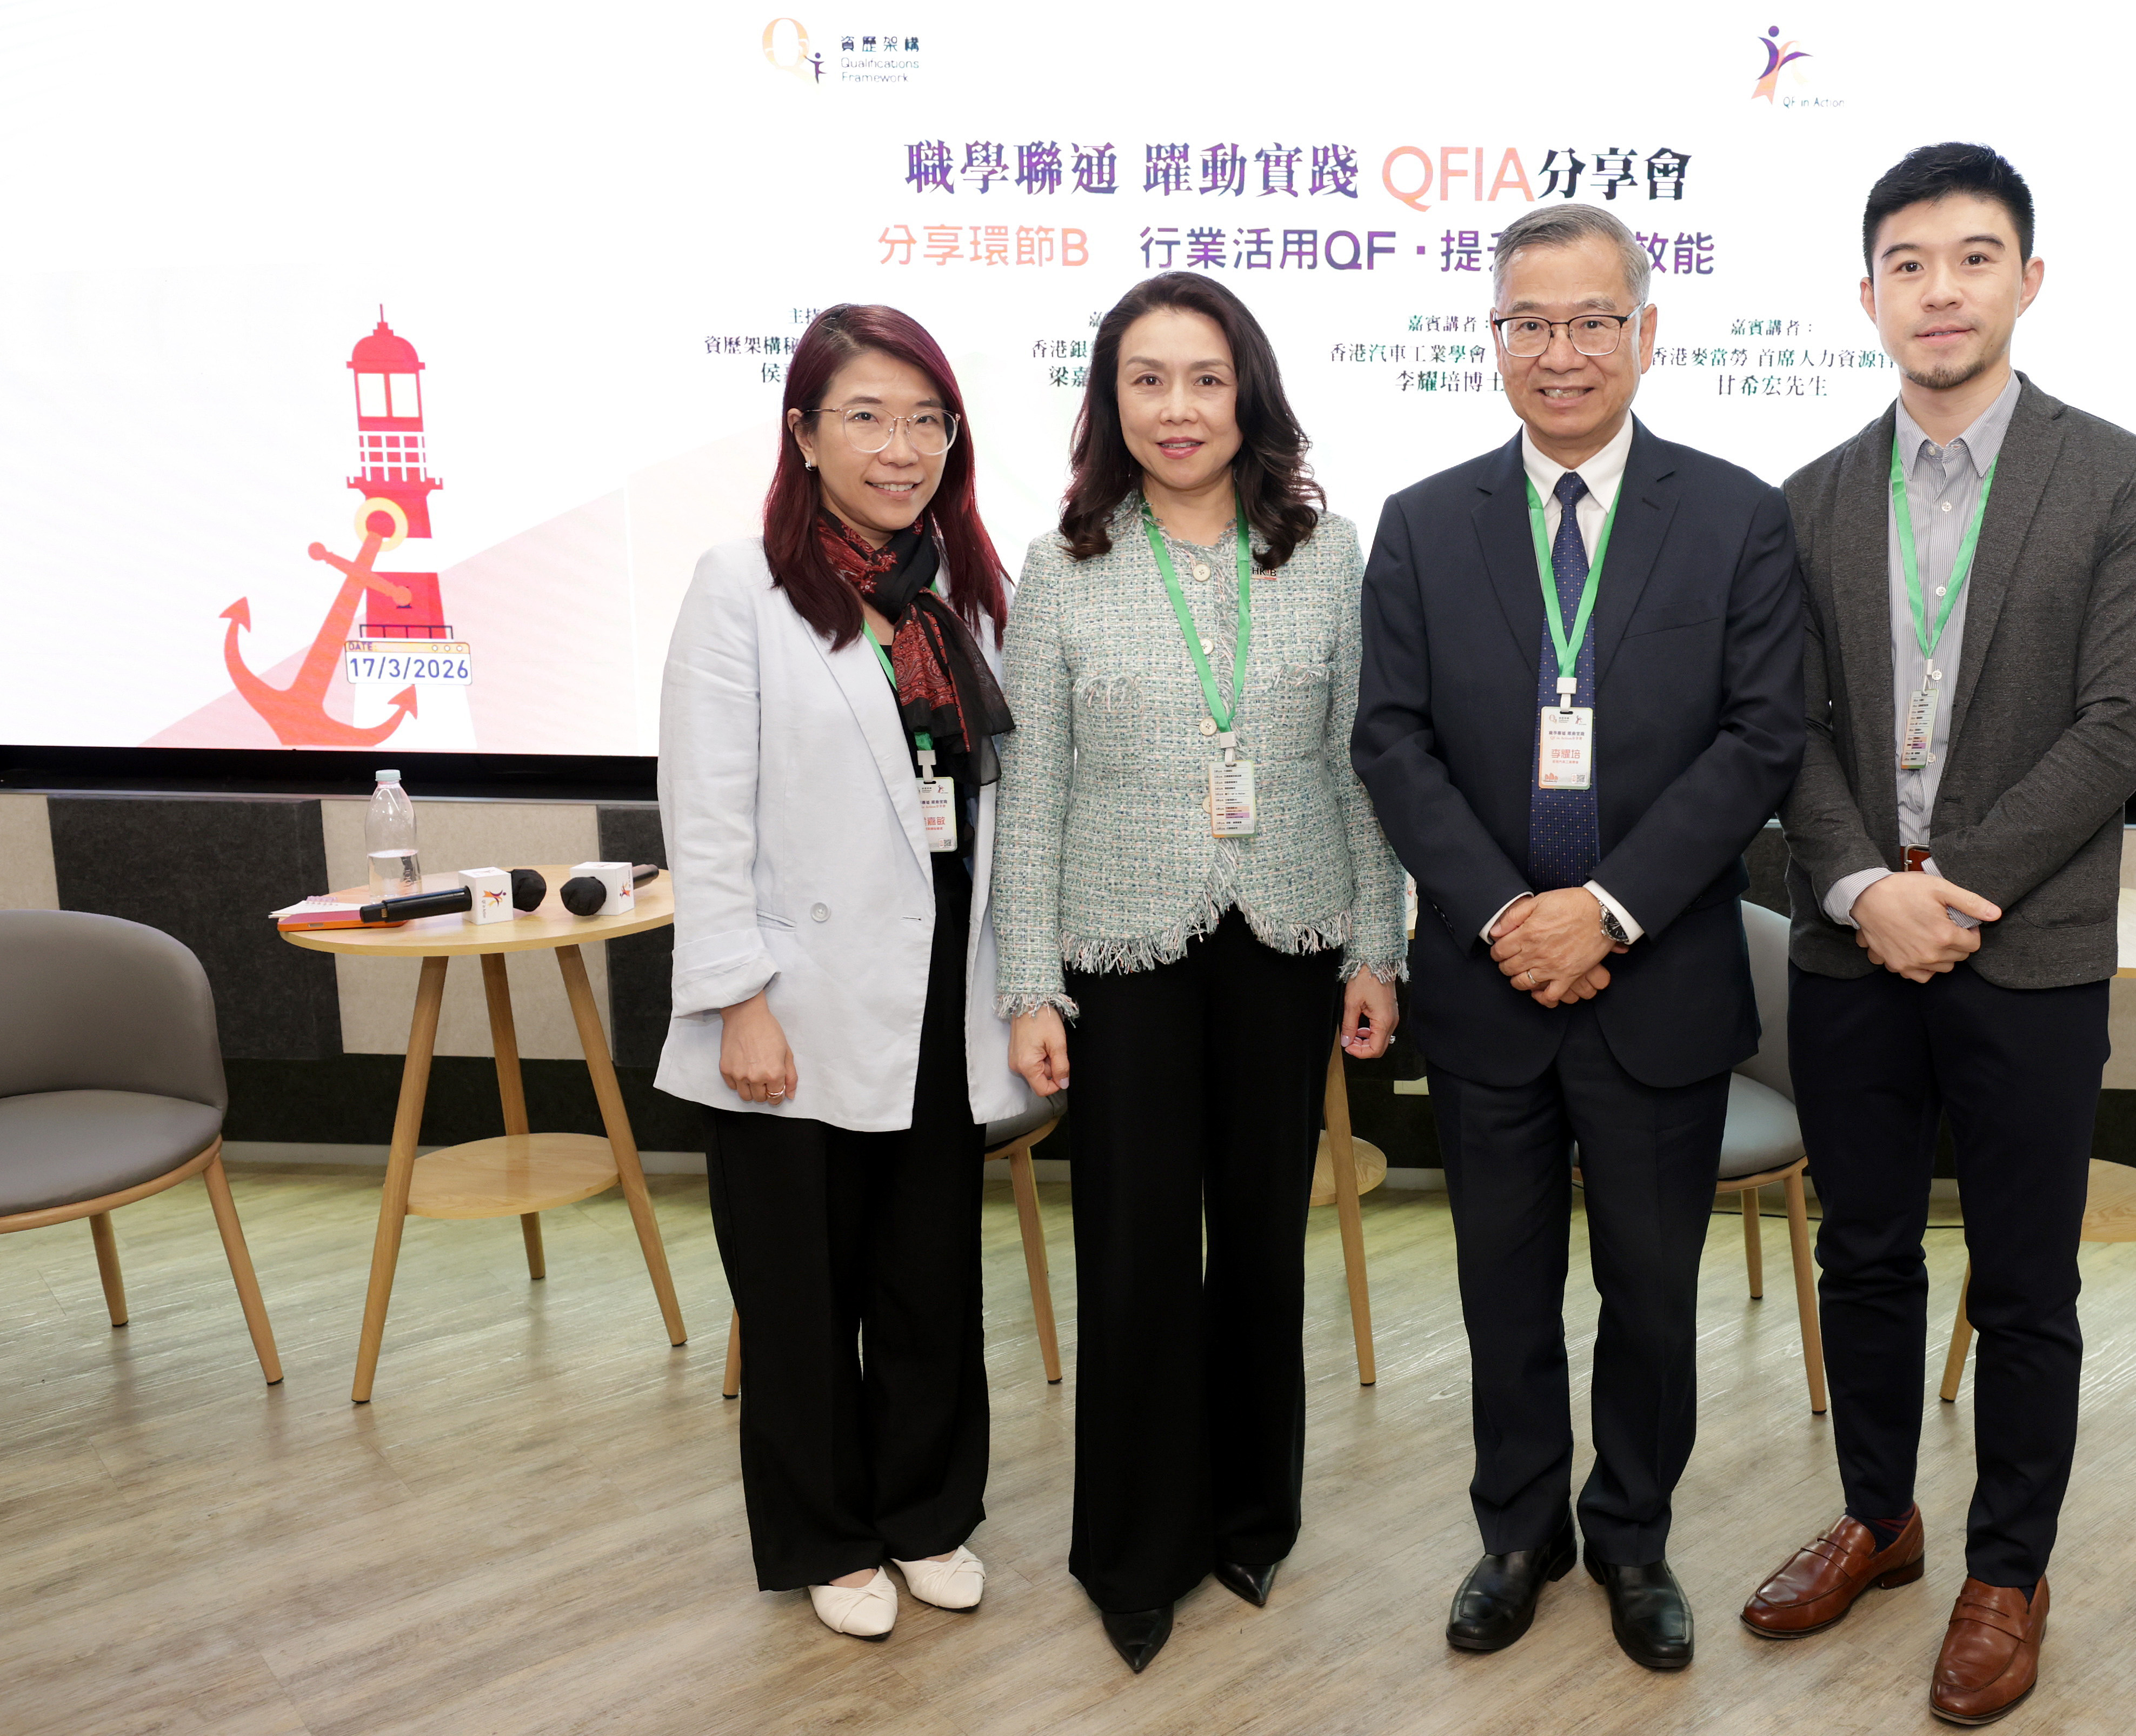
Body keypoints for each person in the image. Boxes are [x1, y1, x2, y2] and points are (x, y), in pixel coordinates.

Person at [1741, 143, 2136, 1724]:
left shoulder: (2119, 481)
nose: (1940, 291)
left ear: (2028, 279)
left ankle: (2009, 1567)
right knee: (1860, 1252)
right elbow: (1782, 727)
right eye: (1908, 264)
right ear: (1866, 294)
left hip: (2030, 952)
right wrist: (1866, 887)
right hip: (1848, 948)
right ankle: (1880, 1516)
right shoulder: (1804, 501)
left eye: (1973, 258)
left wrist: (1943, 885)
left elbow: (2119, 723)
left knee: (2024, 1280)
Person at [1352, 202, 1806, 1673]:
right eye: (1530, 323)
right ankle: (1516, 1530)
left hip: (1654, 979)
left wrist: (1601, 911)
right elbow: (1391, 741)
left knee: (1651, 1295)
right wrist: (1507, 915)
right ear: (1493, 338)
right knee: (1501, 1288)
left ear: (1645, 333)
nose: (1562, 351)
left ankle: (1631, 1535)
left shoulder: (1735, 517)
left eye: (1592, 320)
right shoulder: (1423, 524)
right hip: (1487, 983)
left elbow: (1759, 741)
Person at [992, 271, 1406, 1675]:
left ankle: (1248, 1515)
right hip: (1121, 950)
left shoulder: (1324, 552)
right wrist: (1029, 984)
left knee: (1263, 1240)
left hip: (1287, 939)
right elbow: (1030, 796)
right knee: (1134, 1249)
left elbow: (1360, 764)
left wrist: (1377, 945)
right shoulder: (1063, 565)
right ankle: (1133, 1546)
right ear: (1110, 401)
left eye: (1206, 378)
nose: (1179, 408)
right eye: (1148, 380)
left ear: (1249, 395)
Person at [655, 303, 1028, 1643]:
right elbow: (705, 815)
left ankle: (926, 1513)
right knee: (800, 1296)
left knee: (930, 1280)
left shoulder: (965, 591)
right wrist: (738, 1000)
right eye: (867, 416)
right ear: (804, 435)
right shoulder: (739, 587)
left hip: (938, 996)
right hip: (795, 1005)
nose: (901, 447)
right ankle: (827, 1534)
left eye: (927, 420)